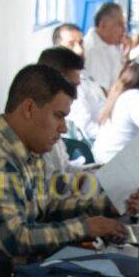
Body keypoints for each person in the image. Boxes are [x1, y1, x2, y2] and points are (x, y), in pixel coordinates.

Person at [0, 65, 125, 277]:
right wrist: (86, 227)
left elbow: (49, 205)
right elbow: (17, 239)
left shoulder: (26, 151)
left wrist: (104, 205)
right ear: (28, 109)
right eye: (58, 116)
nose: (63, 128)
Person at [36, 45, 90, 181]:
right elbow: (52, 190)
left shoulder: (56, 122)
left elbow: (64, 169)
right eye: (71, 87)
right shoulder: (38, 128)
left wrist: (99, 171)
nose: (75, 96)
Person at [82, 2, 127, 90]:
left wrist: (126, 56)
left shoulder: (113, 44)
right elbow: (104, 92)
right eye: (119, 24)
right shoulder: (92, 49)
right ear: (103, 25)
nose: (124, 29)